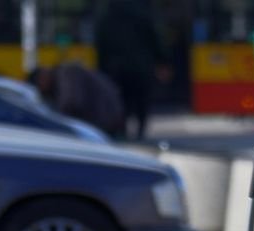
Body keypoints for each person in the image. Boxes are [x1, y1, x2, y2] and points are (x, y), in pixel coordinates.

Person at [94, 0, 164, 141]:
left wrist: (102, 68)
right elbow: (154, 39)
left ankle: (123, 129)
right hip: (141, 67)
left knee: (121, 100)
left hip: (116, 68)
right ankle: (140, 131)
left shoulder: (108, 15)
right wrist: (162, 60)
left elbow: (101, 45)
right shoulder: (143, 13)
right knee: (141, 101)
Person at [30, 62, 125, 137]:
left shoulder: (66, 74)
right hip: (105, 115)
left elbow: (69, 102)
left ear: (42, 78)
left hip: (105, 117)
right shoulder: (64, 74)